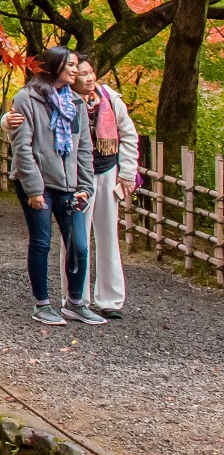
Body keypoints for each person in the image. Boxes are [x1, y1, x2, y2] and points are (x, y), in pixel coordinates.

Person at [1, 45, 104, 326]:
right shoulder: (26, 99)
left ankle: (75, 303)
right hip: (39, 184)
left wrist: (86, 186)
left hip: (71, 186)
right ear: (54, 66)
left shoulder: (76, 103)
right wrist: (34, 189)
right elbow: (22, 147)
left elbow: (84, 147)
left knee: (79, 245)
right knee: (41, 241)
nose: (75, 70)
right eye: (70, 65)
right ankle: (42, 303)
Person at [75, 55, 138, 319]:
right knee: (76, 237)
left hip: (108, 171)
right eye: (82, 74)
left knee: (108, 235)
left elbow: (128, 135)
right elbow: (28, 111)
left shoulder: (110, 99)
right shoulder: (60, 99)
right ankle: (77, 297)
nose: (89, 78)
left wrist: (127, 173)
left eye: (91, 72)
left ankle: (110, 299)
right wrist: (7, 119)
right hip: (77, 174)